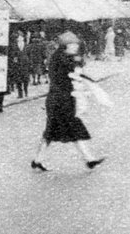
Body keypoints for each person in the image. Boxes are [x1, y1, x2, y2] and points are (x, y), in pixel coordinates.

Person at [31, 31, 105, 172]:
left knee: (52, 133)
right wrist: (77, 67)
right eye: (72, 45)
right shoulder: (61, 60)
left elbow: (74, 73)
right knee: (72, 129)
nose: (75, 47)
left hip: (60, 100)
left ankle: (38, 160)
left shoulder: (62, 58)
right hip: (60, 101)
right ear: (65, 46)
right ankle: (89, 159)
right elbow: (69, 75)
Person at [8, 33, 30, 100]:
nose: (19, 40)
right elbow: (13, 54)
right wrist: (15, 59)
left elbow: (29, 54)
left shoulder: (26, 46)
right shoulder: (15, 45)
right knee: (19, 79)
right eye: (18, 39)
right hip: (18, 65)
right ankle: (20, 94)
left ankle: (26, 92)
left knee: (25, 79)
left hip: (25, 64)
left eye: (21, 38)